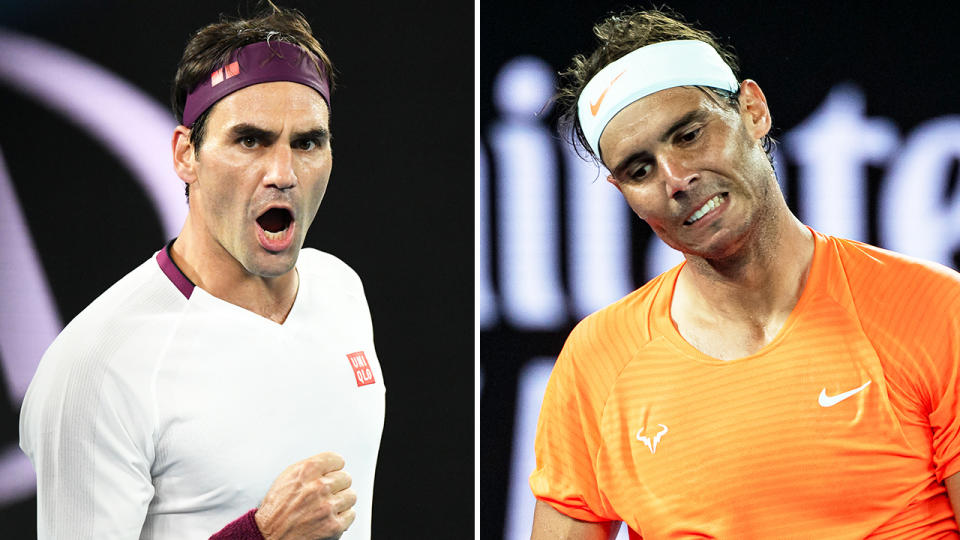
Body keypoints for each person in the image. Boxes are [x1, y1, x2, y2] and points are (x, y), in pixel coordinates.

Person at [530, 8, 960, 539]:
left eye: (688, 135)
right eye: (639, 170)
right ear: (625, 195)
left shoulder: (937, 311)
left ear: (753, 111)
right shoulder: (598, 360)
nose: (676, 179)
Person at [19, 3, 384, 539]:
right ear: (186, 154)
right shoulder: (96, 369)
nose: (282, 173)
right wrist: (260, 535)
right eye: (250, 140)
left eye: (307, 142)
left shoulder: (341, 290)